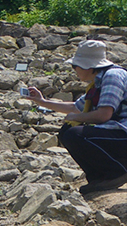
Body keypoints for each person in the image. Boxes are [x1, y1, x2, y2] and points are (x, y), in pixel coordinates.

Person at [29, 40, 127, 196]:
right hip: (117, 134)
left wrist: (77, 117)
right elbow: (76, 107)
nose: (74, 70)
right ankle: (99, 178)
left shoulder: (113, 76)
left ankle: (115, 172)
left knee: (75, 134)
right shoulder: (98, 81)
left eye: (75, 66)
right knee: (67, 131)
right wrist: (43, 102)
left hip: (122, 134)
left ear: (88, 66)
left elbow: (103, 115)